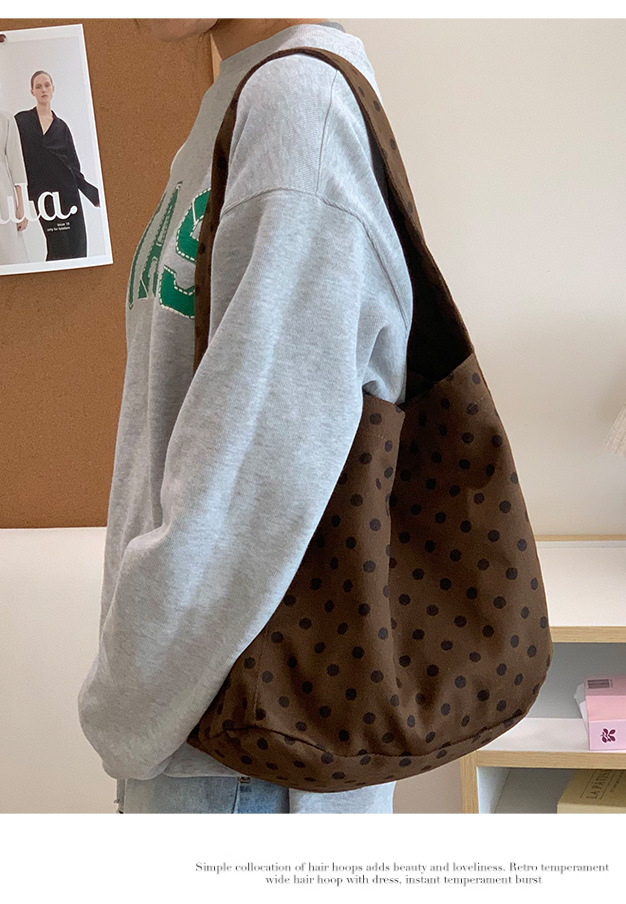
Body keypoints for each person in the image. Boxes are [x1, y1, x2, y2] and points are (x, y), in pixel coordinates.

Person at [77, 18, 413, 814]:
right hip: (208, 727)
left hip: (242, 748)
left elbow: (261, 474)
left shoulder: (298, 102)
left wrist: (125, 704)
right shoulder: (239, 98)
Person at [14, 69, 100, 261]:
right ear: (32, 91)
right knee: (58, 249)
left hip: (68, 194)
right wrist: (19, 200)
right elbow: (13, 157)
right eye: (38, 86)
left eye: (47, 85)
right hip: (43, 196)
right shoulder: (21, 121)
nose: (43, 89)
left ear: (53, 88)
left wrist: (91, 193)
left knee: (77, 249)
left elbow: (73, 167)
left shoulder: (62, 127)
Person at [0, 107, 29, 265]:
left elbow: (17, 165)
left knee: (10, 255)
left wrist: (22, 207)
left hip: (3, 196)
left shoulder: (5, 119)